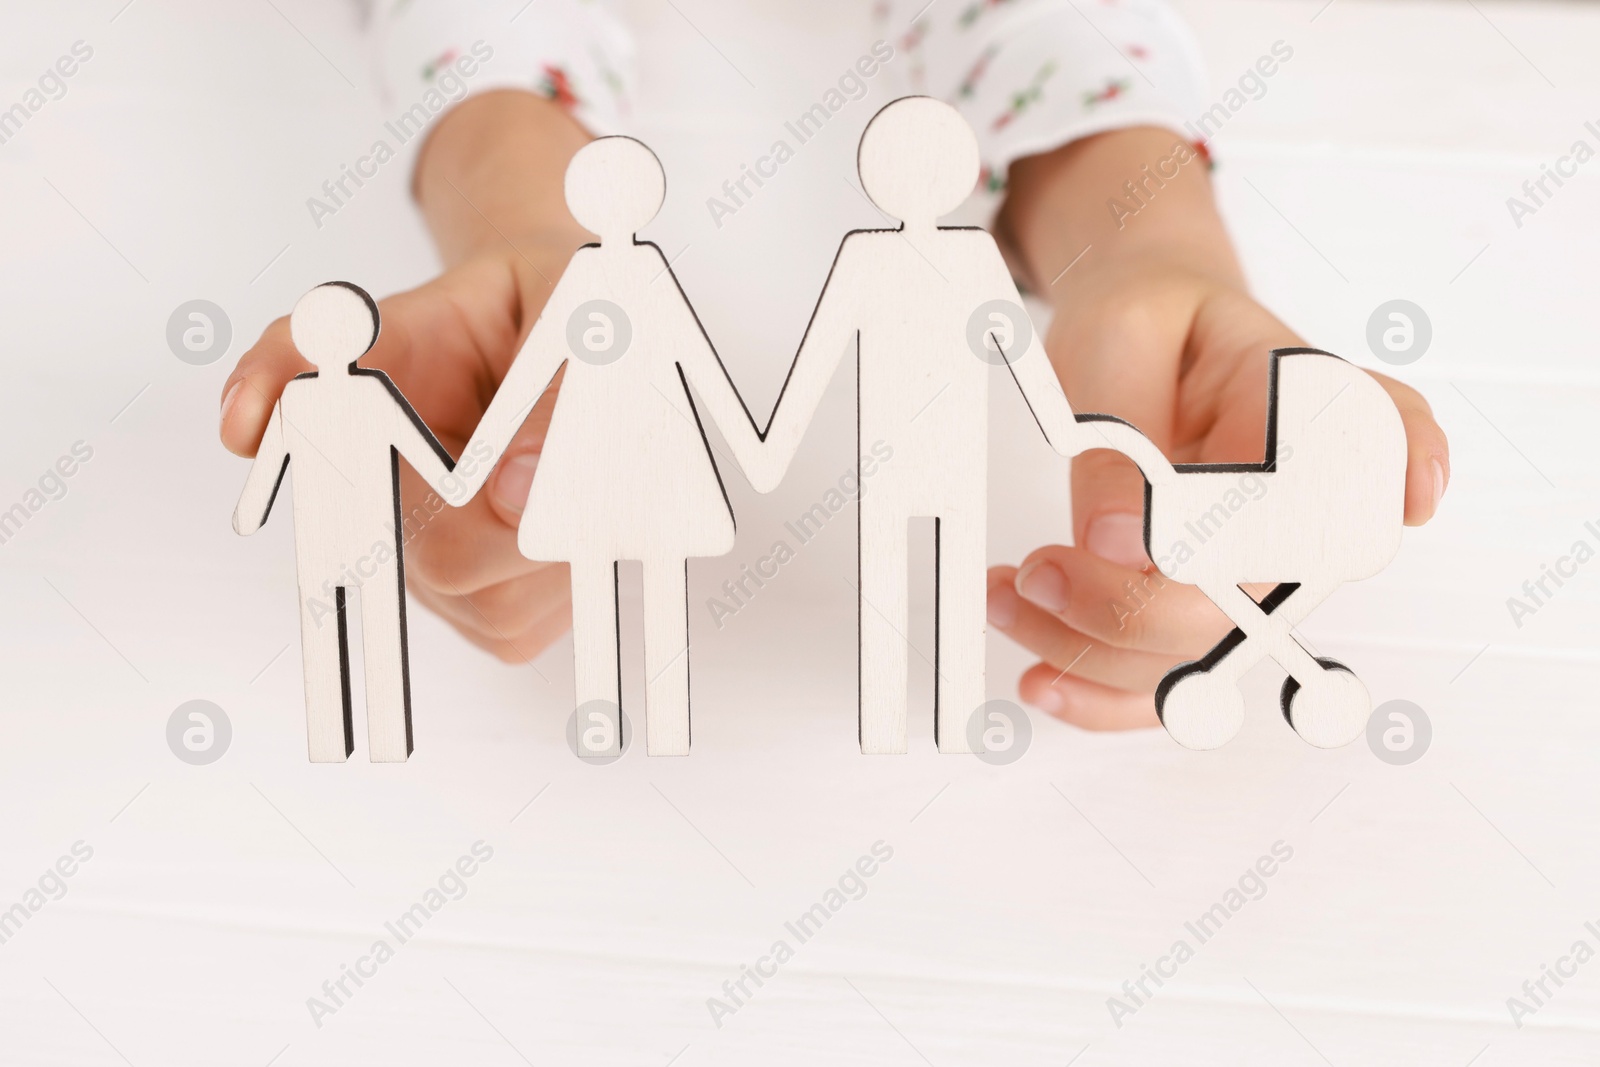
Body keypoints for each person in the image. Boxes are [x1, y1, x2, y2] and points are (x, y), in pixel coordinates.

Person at [219, 0, 1448, 734]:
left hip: (918, 466)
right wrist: (520, 210)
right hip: (870, 458)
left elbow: (962, 362)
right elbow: (820, 368)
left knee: (895, 602)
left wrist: (1144, 241)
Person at [440, 136, 769, 757]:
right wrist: (756, 448)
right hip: (598, 441)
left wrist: (755, 447)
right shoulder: (593, 273)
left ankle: (647, 722)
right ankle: (616, 721)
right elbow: (540, 362)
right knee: (613, 567)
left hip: (650, 440)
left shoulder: (633, 273)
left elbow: (690, 358)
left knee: (635, 566)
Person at [233, 282, 458, 762]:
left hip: (335, 539)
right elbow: (430, 460)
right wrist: (457, 481)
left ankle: (344, 739)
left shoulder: (303, 399)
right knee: (375, 632)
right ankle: (381, 740)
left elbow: (267, 471)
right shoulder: (354, 396)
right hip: (364, 538)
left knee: (332, 634)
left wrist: (250, 513)